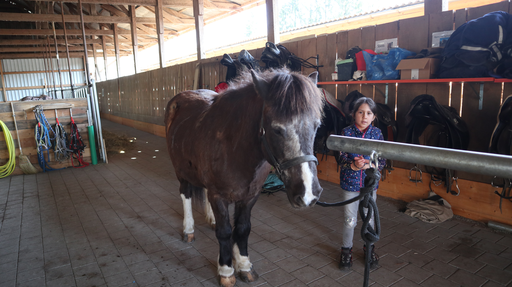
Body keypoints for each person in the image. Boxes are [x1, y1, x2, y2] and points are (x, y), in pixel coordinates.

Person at [338, 96, 386, 270]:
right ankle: (346, 251)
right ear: (353, 114)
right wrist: (352, 165)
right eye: (360, 112)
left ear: (374, 117)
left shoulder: (377, 134)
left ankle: (369, 248)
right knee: (350, 219)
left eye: (368, 113)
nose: (364, 116)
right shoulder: (346, 133)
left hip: (369, 185)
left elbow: (382, 160)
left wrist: (371, 165)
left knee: (369, 218)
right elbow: (341, 157)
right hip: (350, 183)